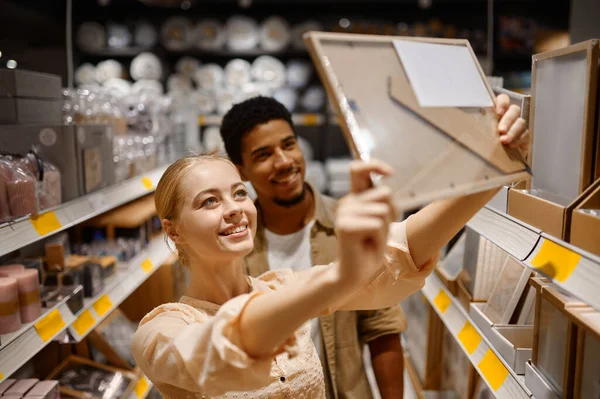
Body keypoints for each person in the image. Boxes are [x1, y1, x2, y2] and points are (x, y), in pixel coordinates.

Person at [131, 94, 529, 398]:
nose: (235, 209)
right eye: (209, 201)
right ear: (174, 230)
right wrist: (342, 276)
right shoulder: (160, 330)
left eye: (237, 194)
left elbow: (403, 249)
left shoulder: (282, 285)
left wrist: (493, 165)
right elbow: (219, 350)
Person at [219, 97, 407, 398]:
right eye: (263, 154)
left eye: (289, 144)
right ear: (241, 170)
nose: (284, 161)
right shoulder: (232, 248)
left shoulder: (349, 227)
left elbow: (382, 327)